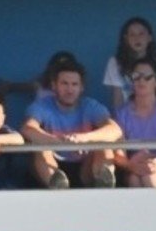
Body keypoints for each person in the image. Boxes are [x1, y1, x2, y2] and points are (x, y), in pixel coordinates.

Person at [20, 58, 121, 189]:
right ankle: (57, 185)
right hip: (52, 167)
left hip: (85, 168)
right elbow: (27, 128)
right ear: (54, 85)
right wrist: (55, 141)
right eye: (64, 84)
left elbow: (115, 130)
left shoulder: (90, 105)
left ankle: (104, 185)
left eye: (74, 84)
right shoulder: (42, 106)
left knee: (104, 145)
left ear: (81, 87)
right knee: (41, 148)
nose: (70, 89)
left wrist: (83, 138)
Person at [111, 57, 156, 187]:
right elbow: (119, 154)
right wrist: (131, 165)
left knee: (150, 177)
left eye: (147, 77)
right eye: (136, 76)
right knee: (134, 179)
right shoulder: (121, 113)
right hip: (133, 168)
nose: (141, 81)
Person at [103, 16, 156, 111]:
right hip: (127, 114)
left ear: (149, 37)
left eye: (141, 34)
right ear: (126, 39)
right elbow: (117, 97)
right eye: (132, 34)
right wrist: (119, 122)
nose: (137, 38)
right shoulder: (115, 62)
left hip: (154, 112)